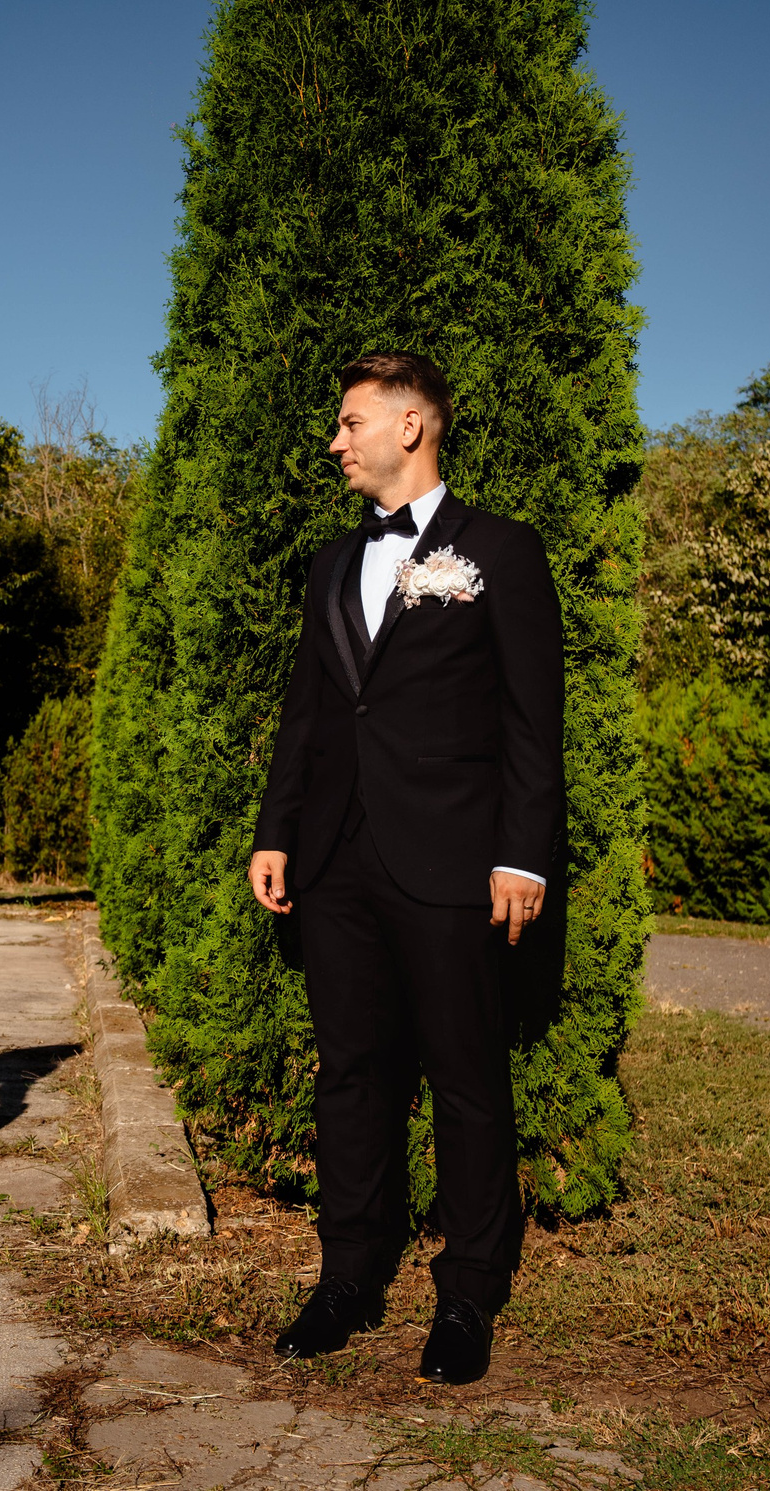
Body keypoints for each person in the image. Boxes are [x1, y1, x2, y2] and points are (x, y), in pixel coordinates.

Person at [246, 352, 563, 1385]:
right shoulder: (332, 564)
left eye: (349, 423)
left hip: (455, 859)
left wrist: (522, 854)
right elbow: (309, 713)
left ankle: (467, 1293)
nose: (334, 442)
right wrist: (275, 828)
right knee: (351, 1075)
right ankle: (345, 1280)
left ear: (412, 425)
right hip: (336, 859)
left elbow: (531, 722)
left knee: (467, 1077)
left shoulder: (501, 555)